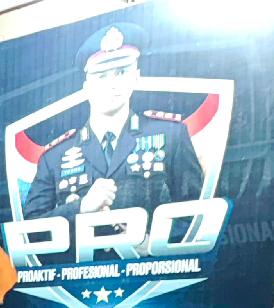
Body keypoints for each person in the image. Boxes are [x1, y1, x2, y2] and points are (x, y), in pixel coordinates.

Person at [23, 22, 203, 225]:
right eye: (101, 76)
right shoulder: (55, 157)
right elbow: (32, 227)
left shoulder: (171, 135)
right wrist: (80, 208)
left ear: (136, 77)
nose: (112, 84)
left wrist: (152, 241)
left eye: (121, 73)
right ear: (86, 87)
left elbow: (194, 214)